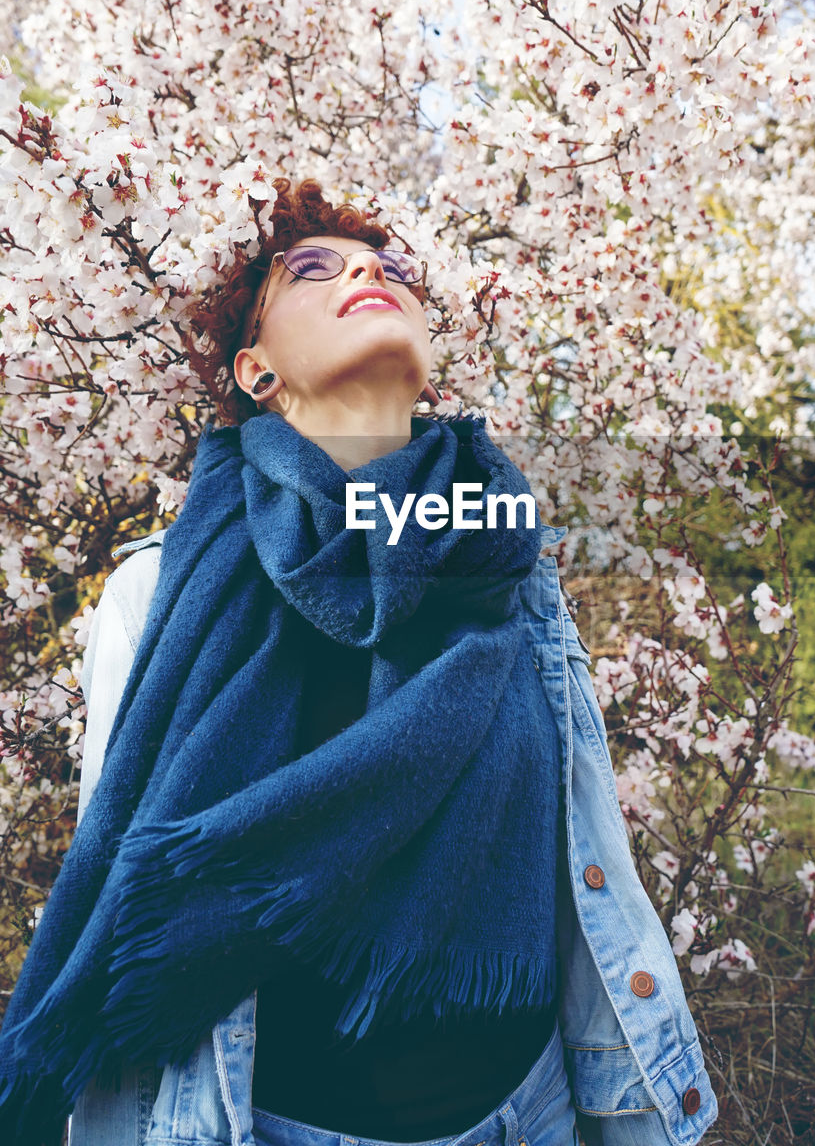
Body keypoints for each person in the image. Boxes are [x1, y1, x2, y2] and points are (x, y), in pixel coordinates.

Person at [0, 179, 718, 1146]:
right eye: (313, 270)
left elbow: (578, 858)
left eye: (385, 267)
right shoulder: (160, 591)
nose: (367, 272)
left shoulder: (508, 566)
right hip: (265, 1118)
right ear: (257, 373)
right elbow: (123, 876)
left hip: (530, 1108)